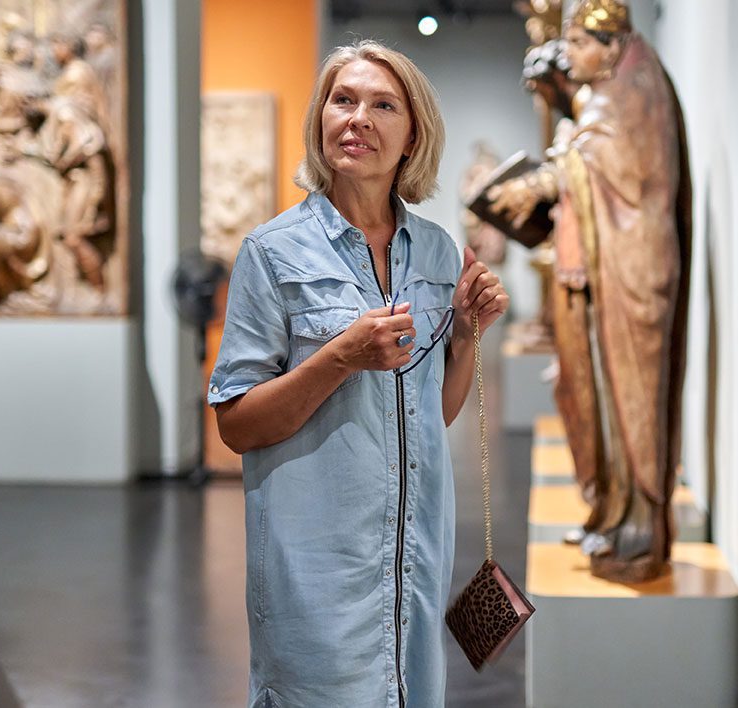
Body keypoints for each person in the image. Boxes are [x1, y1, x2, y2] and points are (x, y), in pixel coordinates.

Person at [207, 40, 508, 707]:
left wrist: (463, 333)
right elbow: (237, 424)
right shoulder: (271, 253)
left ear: (412, 136)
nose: (358, 119)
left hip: (416, 560)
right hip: (316, 571)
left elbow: (431, 415)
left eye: (382, 105)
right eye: (343, 100)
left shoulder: (435, 251)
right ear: (321, 120)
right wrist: (342, 356)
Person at [489, 0, 691, 582]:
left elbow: (610, 171)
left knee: (631, 396)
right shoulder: (603, 101)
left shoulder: (630, 95)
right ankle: (612, 508)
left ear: (611, 44)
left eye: (578, 44)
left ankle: (641, 522)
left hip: (631, 273)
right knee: (596, 395)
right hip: (599, 273)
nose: (569, 55)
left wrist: (544, 179)